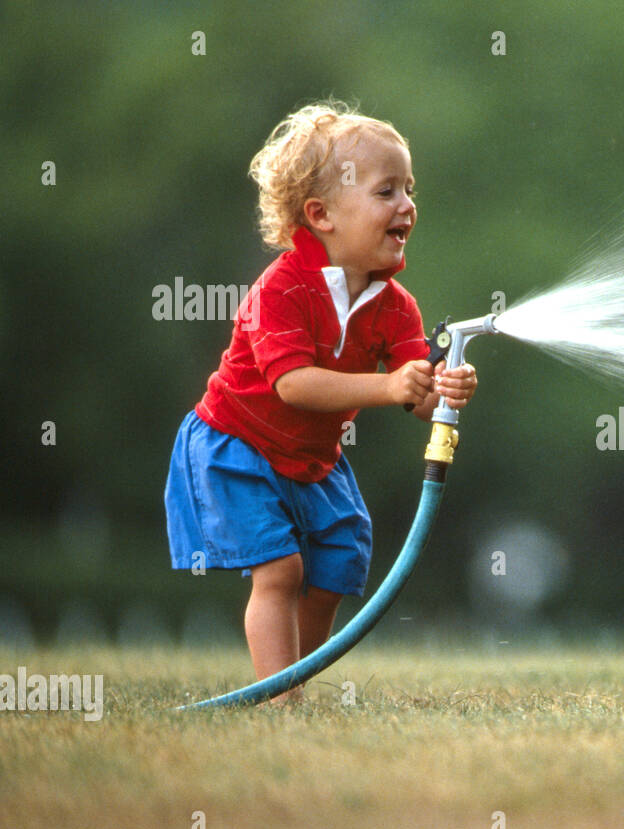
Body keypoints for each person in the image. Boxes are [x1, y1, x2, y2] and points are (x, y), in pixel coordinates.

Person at [165, 102, 477, 702]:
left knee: (334, 566)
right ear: (321, 214)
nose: (407, 206)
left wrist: (440, 389)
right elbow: (293, 385)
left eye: (410, 189)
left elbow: (415, 389)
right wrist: (389, 387)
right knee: (281, 571)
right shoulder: (281, 289)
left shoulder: (395, 303)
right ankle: (283, 702)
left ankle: (298, 679)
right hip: (239, 444)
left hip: (313, 458)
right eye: (387, 191)